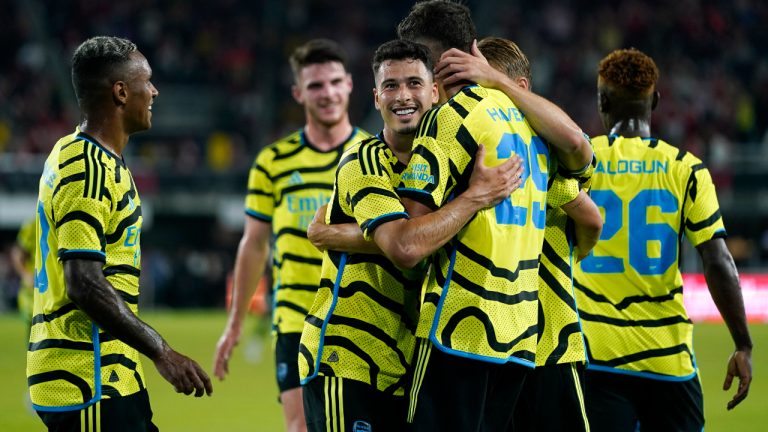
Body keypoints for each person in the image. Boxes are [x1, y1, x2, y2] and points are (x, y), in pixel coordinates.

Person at [298, 39, 524, 431]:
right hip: (350, 359)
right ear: (375, 98)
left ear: (434, 92)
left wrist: (337, 233)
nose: (403, 96)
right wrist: (474, 199)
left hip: (404, 364)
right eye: (391, 86)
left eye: (414, 84)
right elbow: (404, 246)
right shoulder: (364, 160)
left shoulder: (445, 162)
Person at [395, 2, 594, 430]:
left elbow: (408, 245)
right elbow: (580, 147)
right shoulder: (527, 124)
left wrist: (472, 199)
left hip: (458, 328)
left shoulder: (448, 120)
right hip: (519, 337)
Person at [27, 36, 212, 432]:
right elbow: (83, 282)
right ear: (121, 92)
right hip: (87, 380)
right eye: (148, 81)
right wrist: (162, 352)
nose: (155, 91)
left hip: (110, 375)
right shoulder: (88, 167)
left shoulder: (83, 155)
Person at [573, 48, 753, 431]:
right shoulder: (686, 170)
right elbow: (718, 260)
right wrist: (742, 345)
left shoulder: (579, 162)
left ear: (602, 101)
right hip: (667, 359)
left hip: (595, 353)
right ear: (655, 100)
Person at [437, 36, 603, 432]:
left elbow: (580, 148)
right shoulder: (541, 162)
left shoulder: (551, 152)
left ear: (517, 87)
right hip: (509, 342)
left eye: (485, 88)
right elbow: (592, 222)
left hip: (534, 344)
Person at [212, 39, 370, 432]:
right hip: (296, 320)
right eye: (315, 85)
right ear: (299, 93)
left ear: (350, 84)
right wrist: (235, 324)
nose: (328, 93)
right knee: (301, 428)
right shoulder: (273, 162)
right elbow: (254, 245)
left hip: (364, 315)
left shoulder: (374, 153)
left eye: (335, 81)